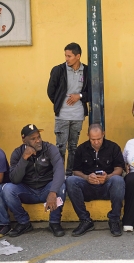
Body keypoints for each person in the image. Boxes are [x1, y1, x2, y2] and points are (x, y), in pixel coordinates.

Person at [2, 124, 66, 237]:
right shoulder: (17, 153)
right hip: (28, 190)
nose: (38, 141)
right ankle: (24, 222)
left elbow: (60, 171)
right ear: (24, 140)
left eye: (38, 137)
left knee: (61, 186)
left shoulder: (50, 149)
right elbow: (15, 179)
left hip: (47, 189)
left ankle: (55, 222)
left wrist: (52, 192)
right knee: (7, 189)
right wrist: (24, 158)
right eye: (33, 139)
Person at [66, 124, 125, 237]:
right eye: (93, 139)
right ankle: (85, 220)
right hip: (88, 186)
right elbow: (76, 171)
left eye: (99, 139)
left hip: (107, 186)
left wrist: (108, 176)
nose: (96, 142)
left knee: (118, 180)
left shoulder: (113, 147)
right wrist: (86, 177)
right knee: (71, 181)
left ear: (103, 134)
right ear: (88, 135)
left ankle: (114, 220)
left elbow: (119, 168)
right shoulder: (81, 149)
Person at [47, 42, 89, 177]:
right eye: (65, 55)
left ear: (78, 56)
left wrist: (80, 96)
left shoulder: (87, 71)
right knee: (60, 147)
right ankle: (59, 175)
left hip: (78, 115)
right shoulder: (58, 70)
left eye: (69, 56)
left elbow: (92, 92)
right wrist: (60, 103)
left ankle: (70, 175)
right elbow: (51, 91)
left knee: (73, 147)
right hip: (62, 115)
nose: (66, 58)